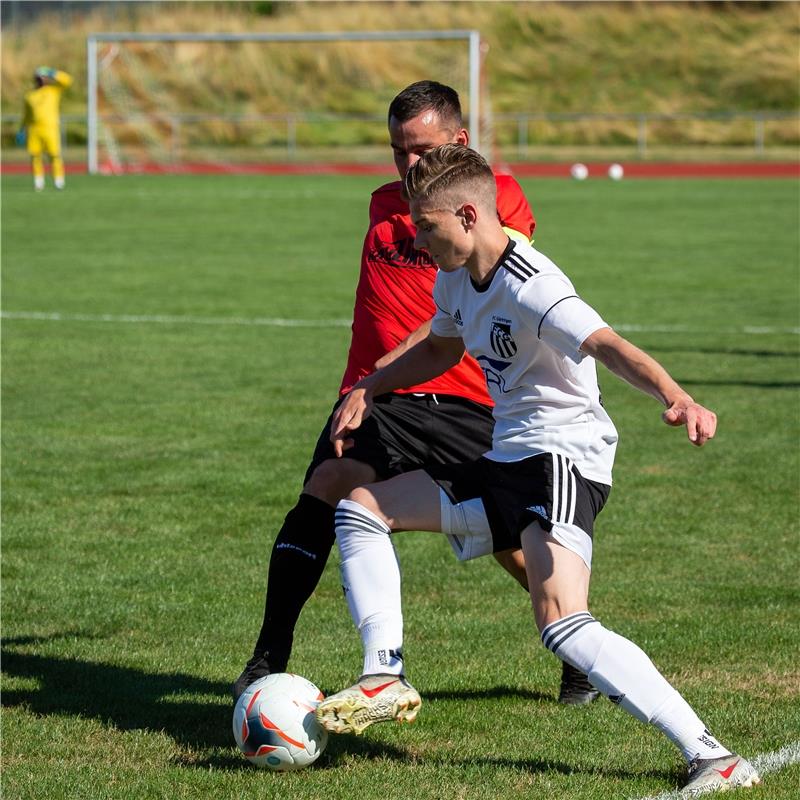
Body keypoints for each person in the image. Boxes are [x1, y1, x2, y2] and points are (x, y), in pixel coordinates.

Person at [315, 144, 761, 796]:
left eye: (427, 226)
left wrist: (676, 395)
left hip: (564, 457)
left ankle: (713, 758)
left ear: (468, 214)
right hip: (508, 454)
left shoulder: (531, 282)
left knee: (562, 623)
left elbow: (604, 343)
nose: (417, 237)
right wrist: (373, 386)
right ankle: (384, 674)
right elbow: (440, 345)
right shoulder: (456, 272)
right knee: (362, 507)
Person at [233, 81, 598, 705]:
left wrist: (386, 367)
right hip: (379, 401)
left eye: (421, 149)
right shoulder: (381, 206)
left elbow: (476, 304)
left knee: (511, 540)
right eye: (398, 150)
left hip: (466, 398)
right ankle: (268, 658)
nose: (408, 165)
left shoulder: (495, 199)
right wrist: (368, 384)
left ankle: (578, 653)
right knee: (325, 488)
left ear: (458, 143)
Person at [19, 66, 73, 191]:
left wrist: (53, 73)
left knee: (54, 155)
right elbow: (26, 115)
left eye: (44, 77)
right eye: (39, 78)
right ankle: (39, 182)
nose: (41, 80)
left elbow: (68, 80)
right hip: (34, 130)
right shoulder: (30, 96)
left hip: (50, 129)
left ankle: (58, 181)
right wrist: (22, 129)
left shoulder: (53, 91)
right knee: (35, 156)